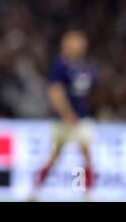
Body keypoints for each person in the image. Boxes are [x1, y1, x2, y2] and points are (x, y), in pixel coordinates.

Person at [30, 30, 96, 201]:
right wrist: (67, 114)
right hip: (66, 120)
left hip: (81, 118)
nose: (81, 45)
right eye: (77, 41)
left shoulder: (81, 65)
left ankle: (87, 193)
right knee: (58, 157)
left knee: (85, 154)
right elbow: (55, 92)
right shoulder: (60, 65)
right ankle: (36, 191)